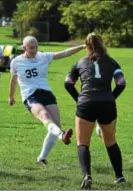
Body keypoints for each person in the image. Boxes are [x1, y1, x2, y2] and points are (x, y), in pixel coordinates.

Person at [8, 35, 85, 165]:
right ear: (24, 48)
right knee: (44, 115)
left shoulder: (43, 57)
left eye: (36, 47)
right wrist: (11, 96)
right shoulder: (16, 61)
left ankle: (41, 158)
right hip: (30, 96)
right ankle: (62, 136)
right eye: (31, 48)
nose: (34, 50)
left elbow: (64, 53)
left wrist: (82, 46)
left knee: (56, 125)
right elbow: (13, 80)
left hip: (47, 94)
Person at [64, 33, 126, 189]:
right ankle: (119, 176)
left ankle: (87, 175)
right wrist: (111, 97)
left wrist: (78, 99)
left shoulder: (79, 63)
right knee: (110, 141)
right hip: (107, 104)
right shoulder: (112, 62)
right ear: (102, 44)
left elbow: (68, 83)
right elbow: (121, 83)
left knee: (83, 143)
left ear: (87, 46)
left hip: (86, 104)